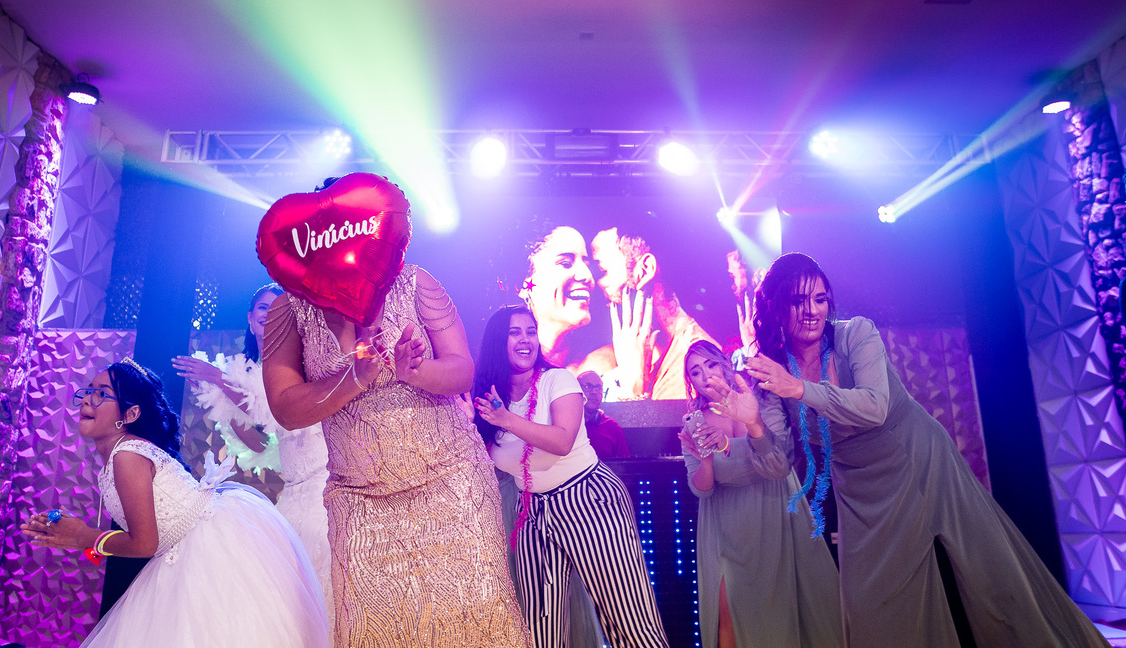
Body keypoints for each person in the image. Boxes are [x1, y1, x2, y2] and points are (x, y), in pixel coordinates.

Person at [712, 252, 1109, 648]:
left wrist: (799, 388)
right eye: (799, 301)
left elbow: (874, 406)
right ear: (777, 307)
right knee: (870, 611)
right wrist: (754, 425)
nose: (813, 311)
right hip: (860, 491)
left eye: (819, 299)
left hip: (918, 459)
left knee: (992, 580)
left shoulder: (855, 334)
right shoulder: (771, 374)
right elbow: (778, 464)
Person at [262, 176, 529, 648]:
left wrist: (415, 371)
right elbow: (286, 407)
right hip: (361, 500)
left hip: (451, 484)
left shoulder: (416, 282)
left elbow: (463, 370)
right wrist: (356, 376)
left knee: (478, 625)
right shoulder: (289, 309)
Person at [22, 359, 330, 647]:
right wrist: (80, 536)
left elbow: (144, 543)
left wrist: (83, 536)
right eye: (88, 391)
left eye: (102, 393)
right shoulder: (119, 458)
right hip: (181, 553)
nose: (88, 400)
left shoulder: (127, 456)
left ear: (130, 415)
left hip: (210, 550)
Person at [473, 305, 670, 648]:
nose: (525, 340)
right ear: (496, 342)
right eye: (514, 332)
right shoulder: (491, 400)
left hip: (589, 500)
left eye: (531, 331)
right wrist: (469, 427)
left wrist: (506, 420)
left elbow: (562, 441)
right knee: (541, 632)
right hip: (532, 513)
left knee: (630, 623)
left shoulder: (558, 379)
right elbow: (492, 461)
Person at [173, 283, 334, 641]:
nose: (271, 314)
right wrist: (223, 403)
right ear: (250, 319)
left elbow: (275, 411)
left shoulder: (304, 364)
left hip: (325, 485)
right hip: (295, 490)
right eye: (264, 308)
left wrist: (217, 380)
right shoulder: (249, 372)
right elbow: (261, 444)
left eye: (280, 308)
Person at [679, 340, 843, 648]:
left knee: (777, 615)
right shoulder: (694, 422)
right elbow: (701, 488)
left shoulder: (761, 400)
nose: (705, 375)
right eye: (695, 372)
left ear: (724, 364)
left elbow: (777, 463)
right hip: (724, 527)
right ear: (691, 382)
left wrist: (729, 444)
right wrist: (705, 461)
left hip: (771, 516)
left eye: (710, 364)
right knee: (727, 617)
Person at [591, 226, 718, 400]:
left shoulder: (695, 361)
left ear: (645, 269)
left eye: (602, 272)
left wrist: (632, 390)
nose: (595, 284)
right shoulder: (655, 353)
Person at [519, 225, 614, 377]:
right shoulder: (500, 367)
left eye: (587, 265)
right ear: (522, 284)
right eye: (566, 263)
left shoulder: (606, 365)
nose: (587, 276)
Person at [576, 370, 629, 460]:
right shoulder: (564, 423)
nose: (594, 392)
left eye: (598, 387)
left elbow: (624, 464)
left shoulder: (612, 427)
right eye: (587, 386)